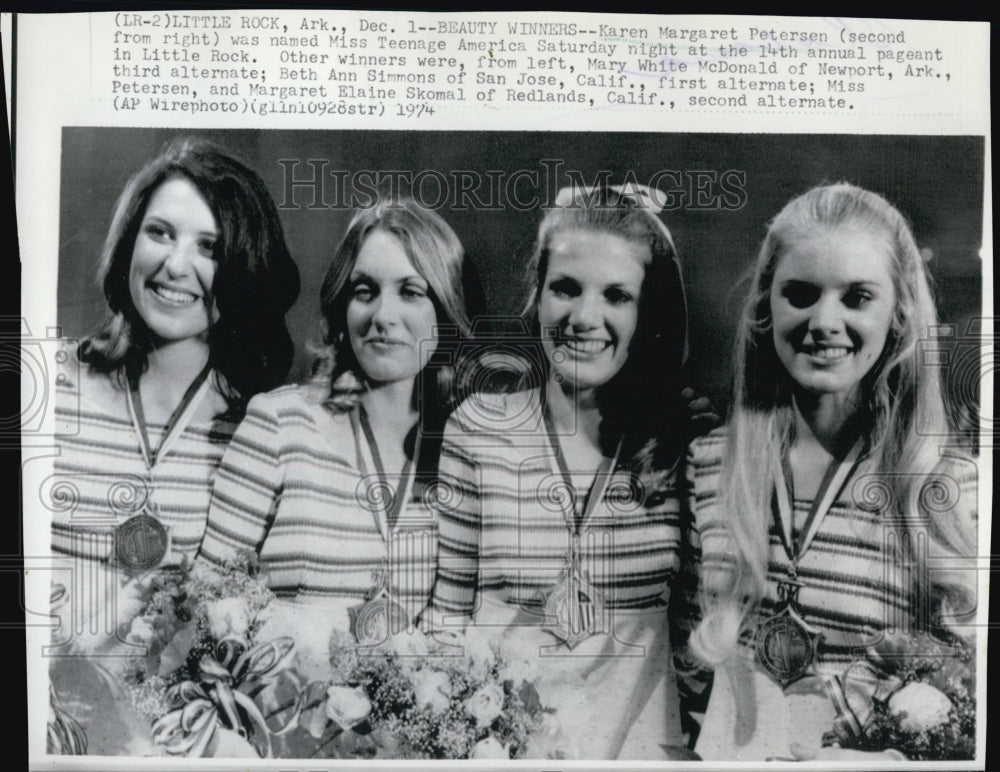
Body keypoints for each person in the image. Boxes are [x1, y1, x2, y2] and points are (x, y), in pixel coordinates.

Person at [686, 183, 978, 761]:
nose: (824, 321)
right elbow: (690, 674)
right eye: (800, 293)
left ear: (898, 314)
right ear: (765, 307)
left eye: (857, 297)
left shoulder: (946, 484)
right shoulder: (712, 462)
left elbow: (968, 714)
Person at [425, 184, 709, 760]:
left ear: (646, 312)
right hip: (500, 753)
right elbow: (445, 622)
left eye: (617, 297)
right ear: (538, 295)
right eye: (566, 288)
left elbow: (700, 646)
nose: (585, 318)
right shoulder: (477, 427)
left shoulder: (684, 444)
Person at [48, 137, 300, 753]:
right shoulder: (49, 383)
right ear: (128, 242)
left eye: (209, 247)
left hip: (161, 737)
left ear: (243, 267)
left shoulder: (261, 427)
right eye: (159, 233)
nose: (175, 266)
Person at [196, 196, 474, 681]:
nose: (382, 315)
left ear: (446, 313)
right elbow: (205, 596)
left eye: (411, 292)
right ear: (342, 306)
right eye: (365, 290)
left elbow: (452, 634)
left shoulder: (465, 453)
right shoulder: (280, 422)